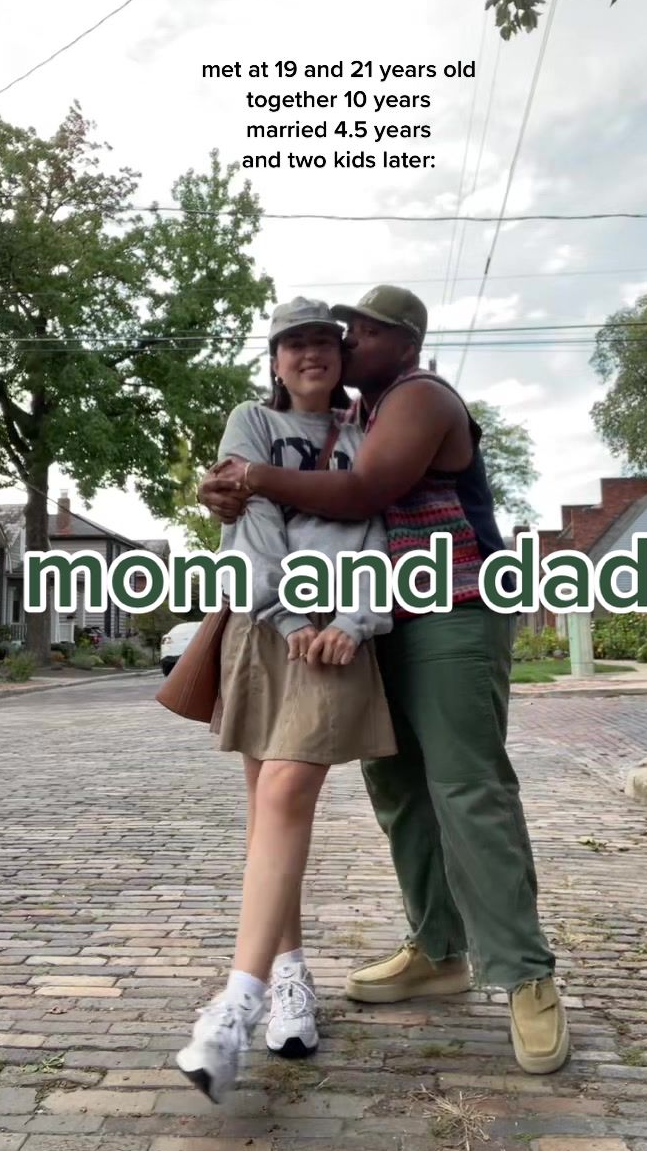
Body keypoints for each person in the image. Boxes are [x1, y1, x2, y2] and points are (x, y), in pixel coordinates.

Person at [199, 284, 570, 1077]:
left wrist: (252, 476)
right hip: (378, 623)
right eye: (345, 332)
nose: (346, 343)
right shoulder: (352, 414)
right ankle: (438, 949)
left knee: (468, 788)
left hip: (452, 607)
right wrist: (229, 490)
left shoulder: (420, 395)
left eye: (363, 333)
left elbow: (363, 492)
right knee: (398, 788)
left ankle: (525, 974)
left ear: (405, 343)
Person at [176, 298, 396, 1103]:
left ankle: (235, 1006)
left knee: (285, 793)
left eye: (323, 343)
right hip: (268, 624)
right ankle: (291, 977)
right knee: (268, 814)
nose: (311, 354)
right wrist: (291, 614)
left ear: (340, 358)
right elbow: (255, 518)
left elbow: (377, 527)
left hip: (336, 636)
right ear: (274, 360)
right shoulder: (253, 422)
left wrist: (352, 621)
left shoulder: (368, 432)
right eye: (294, 344)